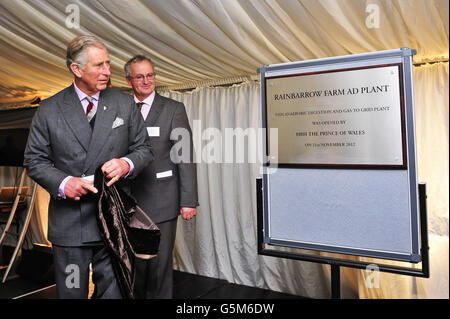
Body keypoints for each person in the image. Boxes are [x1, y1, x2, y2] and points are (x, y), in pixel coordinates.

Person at [23, 35, 153, 299]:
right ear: (76, 69)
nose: (107, 71)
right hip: (70, 227)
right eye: (98, 65)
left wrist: (126, 163)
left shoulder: (124, 104)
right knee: (72, 294)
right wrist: (64, 183)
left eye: (107, 63)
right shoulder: (49, 109)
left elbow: (144, 150)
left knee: (115, 295)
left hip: (114, 222)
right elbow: (34, 160)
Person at [124, 55, 198, 298]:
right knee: (130, 265)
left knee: (158, 266)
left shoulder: (173, 109)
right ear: (129, 80)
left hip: (162, 200)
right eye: (140, 76)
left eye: (150, 75)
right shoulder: (119, 108)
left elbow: (185, 155)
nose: (147, 81)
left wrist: (188, 200)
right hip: (125, 202)